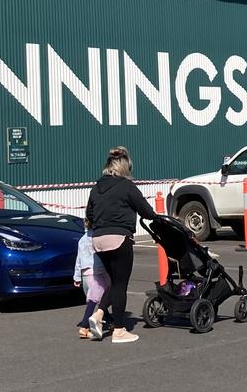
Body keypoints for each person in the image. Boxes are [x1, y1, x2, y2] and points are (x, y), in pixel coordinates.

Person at [85, 146, 156, 344]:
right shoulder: (127, 186)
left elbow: (90, 214)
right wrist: (157, 218)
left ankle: (97, 316)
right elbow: (147, 212)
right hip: (119, 238)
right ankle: (119, 329)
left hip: (98, 240)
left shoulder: (97, 187)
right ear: (126, 167)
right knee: (120, 284)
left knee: (114, 282)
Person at [73, 221, 111, 339]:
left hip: (85, 274)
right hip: (98, 272)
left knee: (98, 298)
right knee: (99, 297)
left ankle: (108, 319)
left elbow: (78, 260)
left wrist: (77, 277)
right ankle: (84, 326)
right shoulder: (98, 238)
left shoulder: (82, 240)